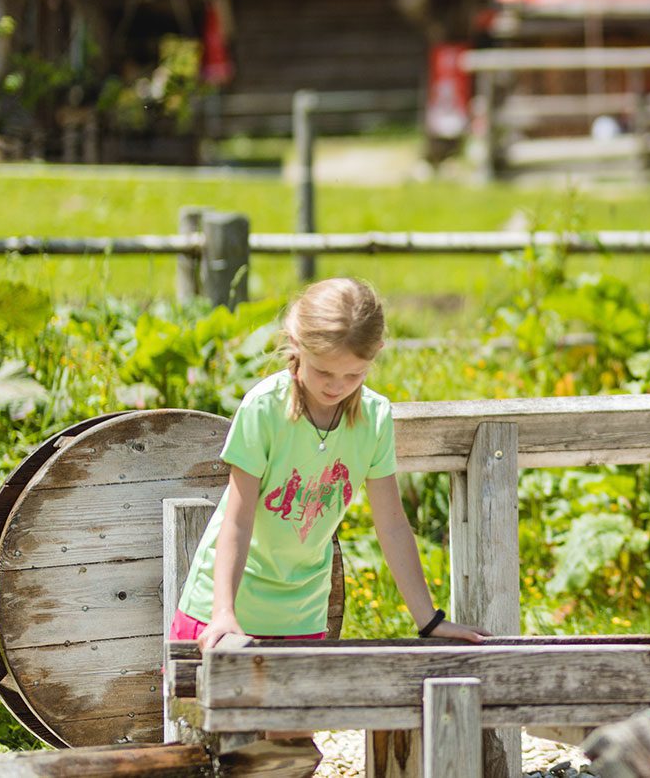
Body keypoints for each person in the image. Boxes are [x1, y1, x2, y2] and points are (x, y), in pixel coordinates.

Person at [171, 278, 488, 651]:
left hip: (301, 616)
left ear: (376, 354)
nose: (337, 386)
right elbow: (237, 520)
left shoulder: (373, 418)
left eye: (353, 374)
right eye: (323, 372)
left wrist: (428, 621)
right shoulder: (265, 409)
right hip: (222, 616)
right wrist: (223, 610)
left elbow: (392, 525)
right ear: (296, 344)